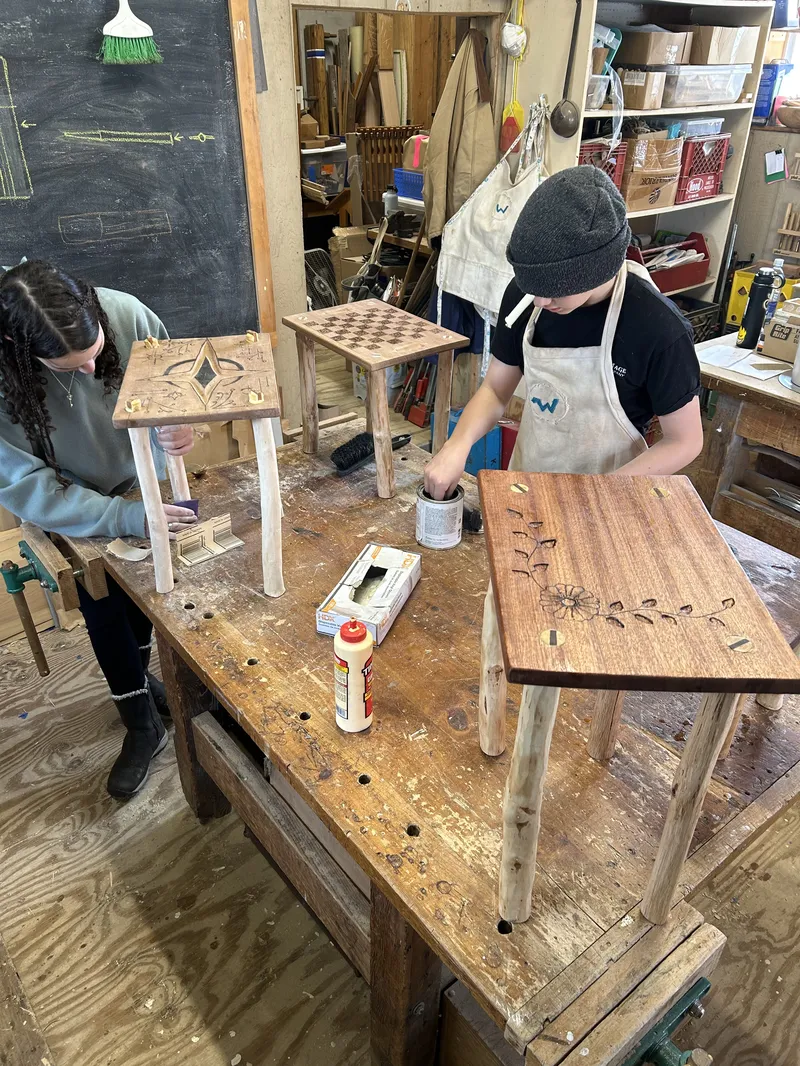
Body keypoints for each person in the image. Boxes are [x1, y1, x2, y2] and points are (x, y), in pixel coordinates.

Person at [0, 260, 199, 799]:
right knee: (102, 600)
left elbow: (178, 383)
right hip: (71, 499)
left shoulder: (126, 314)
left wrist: (181, 424)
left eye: (95, 356)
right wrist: (125, 518)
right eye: (68, 368)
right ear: (24, 355)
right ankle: (140, 719)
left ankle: (141, 689)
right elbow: (28, 485)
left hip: (143, 481)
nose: (90, 373)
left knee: (151, 590)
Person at [425, 165, 704, 501]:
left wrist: (600, 492)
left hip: (608, 497)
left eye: (554, 290)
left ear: (597, 269)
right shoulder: (526, 297)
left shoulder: (658, 328)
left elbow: (685, 440)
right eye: (533, 288)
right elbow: (497, 390)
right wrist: (457, 446)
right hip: (528, 483)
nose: (540, 301)